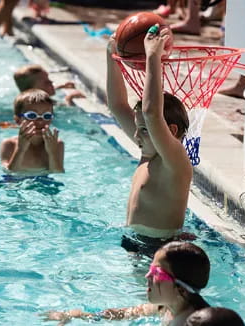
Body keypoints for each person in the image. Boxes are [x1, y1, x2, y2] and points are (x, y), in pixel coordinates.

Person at [106, 25, 193, 255]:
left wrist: (153, 56)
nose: (135, 135)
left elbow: (152, 113)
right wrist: (111, 54)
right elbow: (116, 105)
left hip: (161, 250)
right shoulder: (148, 153)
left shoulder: (174, 162)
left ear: (171, 131)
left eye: (144, 130)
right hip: (134, 242)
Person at [44, 241, 211, 325]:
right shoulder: (165, 307)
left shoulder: (197, 322)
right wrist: (77, 315)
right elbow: (127, 313)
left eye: (156, 273)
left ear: (181, 288)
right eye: (150, 269)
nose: (147, 276)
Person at [0, 89, 64, 173]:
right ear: (17, 120)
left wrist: (52, 152)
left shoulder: (56, 144)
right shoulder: (9, 144)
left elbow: (58, 173)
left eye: (46, 116)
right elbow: (10, 173)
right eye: (32, 115)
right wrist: (20, 149)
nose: (40, 121)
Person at [13, 64, 85, 106]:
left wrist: (61, 86)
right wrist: (69, 98)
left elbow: (42, 91)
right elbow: (67, 109)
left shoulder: (31, 96)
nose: (51, 82)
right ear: (33, 91)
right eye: (46, 82)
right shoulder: (41, 107)